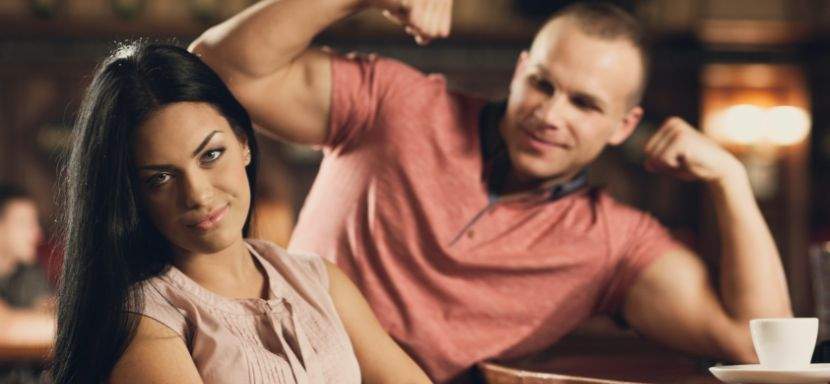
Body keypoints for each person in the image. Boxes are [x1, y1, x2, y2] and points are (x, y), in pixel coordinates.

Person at [190, 1, 793, 382]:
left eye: (584, 104)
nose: (550, 115)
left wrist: (730, 180)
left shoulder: (611, 242)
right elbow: (218, 67)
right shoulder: (398, 104)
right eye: (542, 84)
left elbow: (758, 345)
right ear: (521, 67)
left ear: (624, 127)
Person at [49, 41, 430, 384]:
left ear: (243, 143)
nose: (197, 194)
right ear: (132, 193)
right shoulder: (145, 321)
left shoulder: (318, 280)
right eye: (161, 178)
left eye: (211, 155)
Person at [0, 184, 53, 384]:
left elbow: (50, 309)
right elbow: (6, 330)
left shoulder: (28, 275)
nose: (38, 235)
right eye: (25, 223)